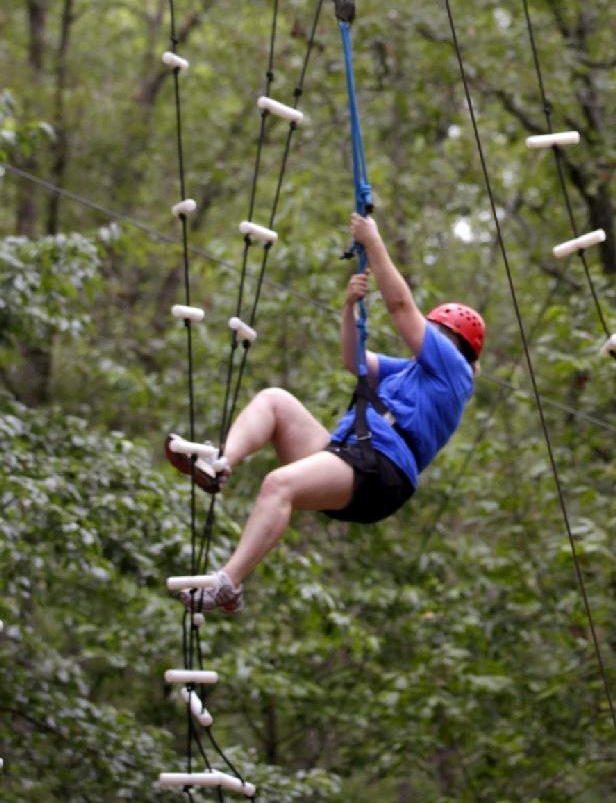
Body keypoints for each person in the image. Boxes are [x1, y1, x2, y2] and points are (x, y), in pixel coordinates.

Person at [164, 211, 484, 615]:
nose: (426, 338)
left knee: (278, 485)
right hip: (349, 454)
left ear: (453, 344)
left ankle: (228, 583)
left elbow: (401, 306)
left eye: (436, 333)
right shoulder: (410, 370)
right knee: (275, 400)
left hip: (380, 470)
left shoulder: (454, 373)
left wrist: (373, 241)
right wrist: (348, 308)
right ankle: (221, 462)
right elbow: (353, 360)